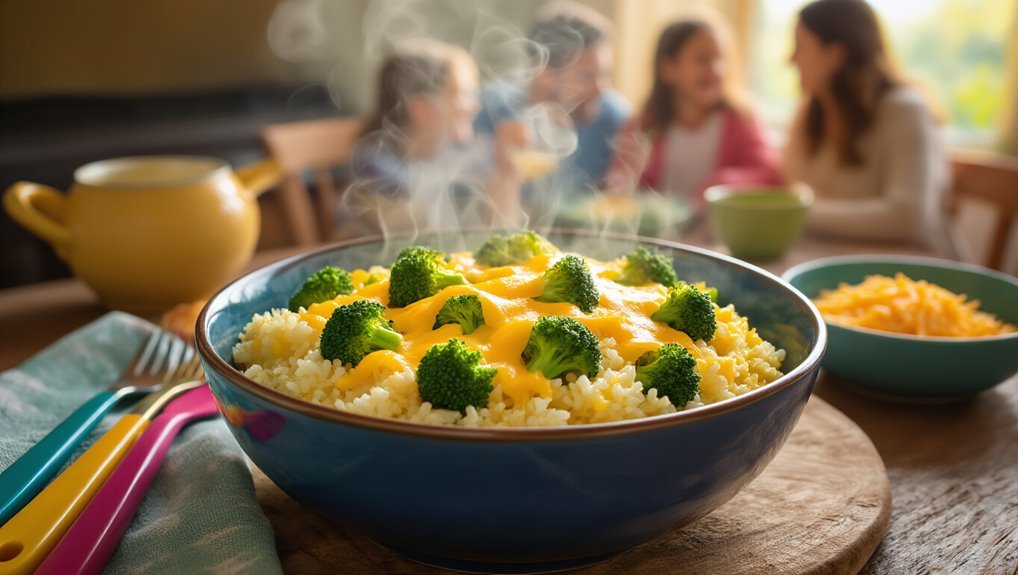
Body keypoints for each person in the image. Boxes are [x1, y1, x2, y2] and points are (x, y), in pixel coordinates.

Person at [783, 0, 953, 255]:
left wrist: (801, 211)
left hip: (910, 279)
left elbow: (907, 219)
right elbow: (795, 187)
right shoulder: (808, 114)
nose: (790, 59)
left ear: (835, 55)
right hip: (837, 262)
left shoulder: (905, 110)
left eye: (800, 47)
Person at [348, 39, 525, 234]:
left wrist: (506, 169)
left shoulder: (448, 153)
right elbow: (416, 215)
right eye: (463, 95)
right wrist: (492, 177)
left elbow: (501, 228)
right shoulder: (374, 163)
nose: (474, 105)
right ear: (422, 109)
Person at [605, 16, 781, 206]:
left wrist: (723, 184)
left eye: (720, 59)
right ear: (669, 68)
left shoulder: (742, 118)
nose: (716, 70)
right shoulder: (644, 124)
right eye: (702, 60)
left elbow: (770, 174)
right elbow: (622, 181)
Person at [475, 2, 630, 190]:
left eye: (605, 74)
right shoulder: (490, 112)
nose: (601, 90)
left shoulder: (611, 116)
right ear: (543, 72)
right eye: (587, 76)